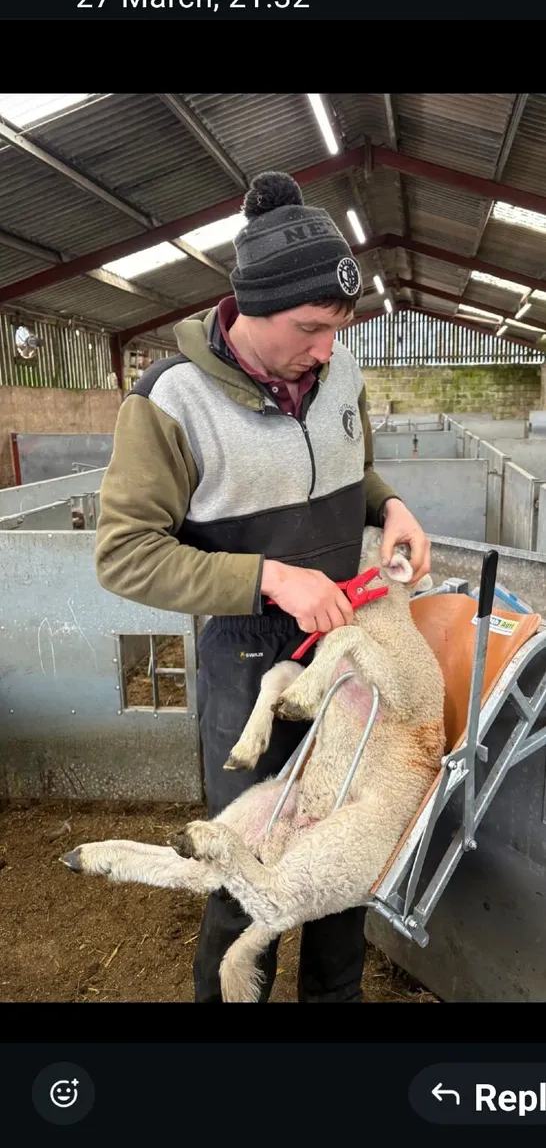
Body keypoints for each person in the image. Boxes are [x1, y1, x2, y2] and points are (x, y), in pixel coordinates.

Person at [95, 170, 431, 1003]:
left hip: (348, 642)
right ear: (251, 307)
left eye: (337, 328)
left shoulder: (338, 370)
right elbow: (125, 554)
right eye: (310, 327)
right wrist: (268, 579)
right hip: (251, 655)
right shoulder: (170, 402)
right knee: (245, 853)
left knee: (344, 857)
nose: (327, 348)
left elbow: (355, 467)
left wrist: (390, 506)